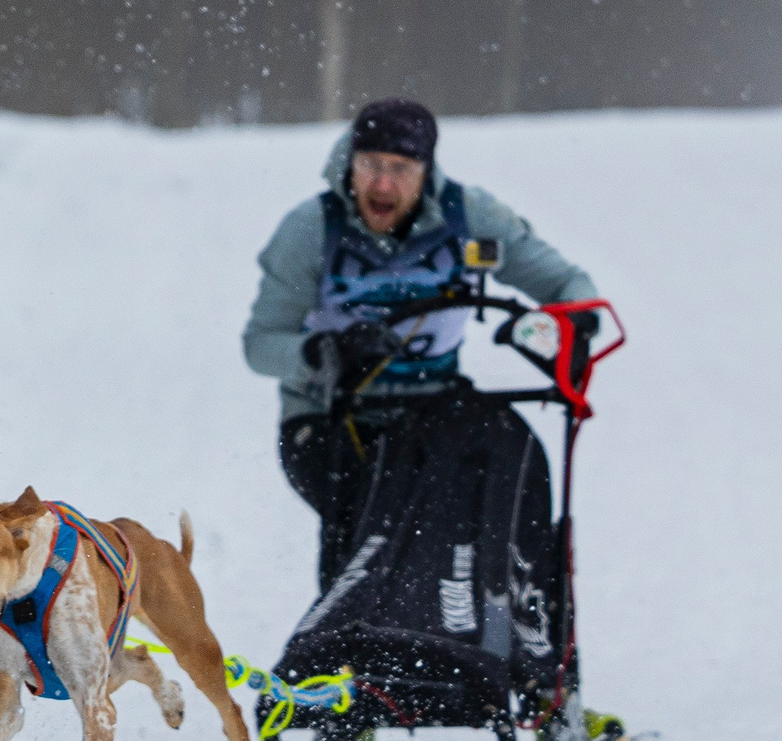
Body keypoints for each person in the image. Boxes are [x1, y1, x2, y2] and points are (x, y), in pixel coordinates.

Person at [243, 97, 600, 588]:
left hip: (433, 402)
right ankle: (351, 633)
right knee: (377, 501)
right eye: (369, 165)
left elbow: (567, 284)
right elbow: (260, 346)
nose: (382, 184)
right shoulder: (310, 230)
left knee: (514, 470)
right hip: (328, 413)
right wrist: (322, 352)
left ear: (425, 171)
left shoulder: (470, 218)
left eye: (400, 169)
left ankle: (502, 617)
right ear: (350, 162)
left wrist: (572, 325)